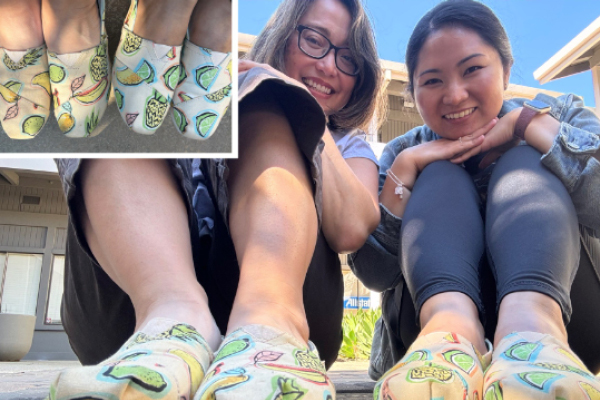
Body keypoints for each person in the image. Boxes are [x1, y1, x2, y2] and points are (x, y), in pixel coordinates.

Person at [49, 0, 382, 398]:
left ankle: (270, 322)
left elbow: (353, 226)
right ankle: (172, 321)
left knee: (265, 97)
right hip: (130, 315)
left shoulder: (351, 144)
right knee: (117, 97)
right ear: (283, 34)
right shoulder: (208, 83)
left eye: (349, 59)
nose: (330, 66)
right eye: (314, 40)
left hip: (289, 318)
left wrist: (292, 99)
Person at [349, 1, 600, 399]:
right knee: (439, 173)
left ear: (506, 67)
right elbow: (375, 274)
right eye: (432, 81)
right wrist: (406, 170)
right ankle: (450, 334)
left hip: (569, 332)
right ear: (412, 92)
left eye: (472, 69)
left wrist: (527, 126)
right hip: (431, 354)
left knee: (524, 159)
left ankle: (533, 334)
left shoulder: (562, 113)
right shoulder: (403, 151)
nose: (454, 94)